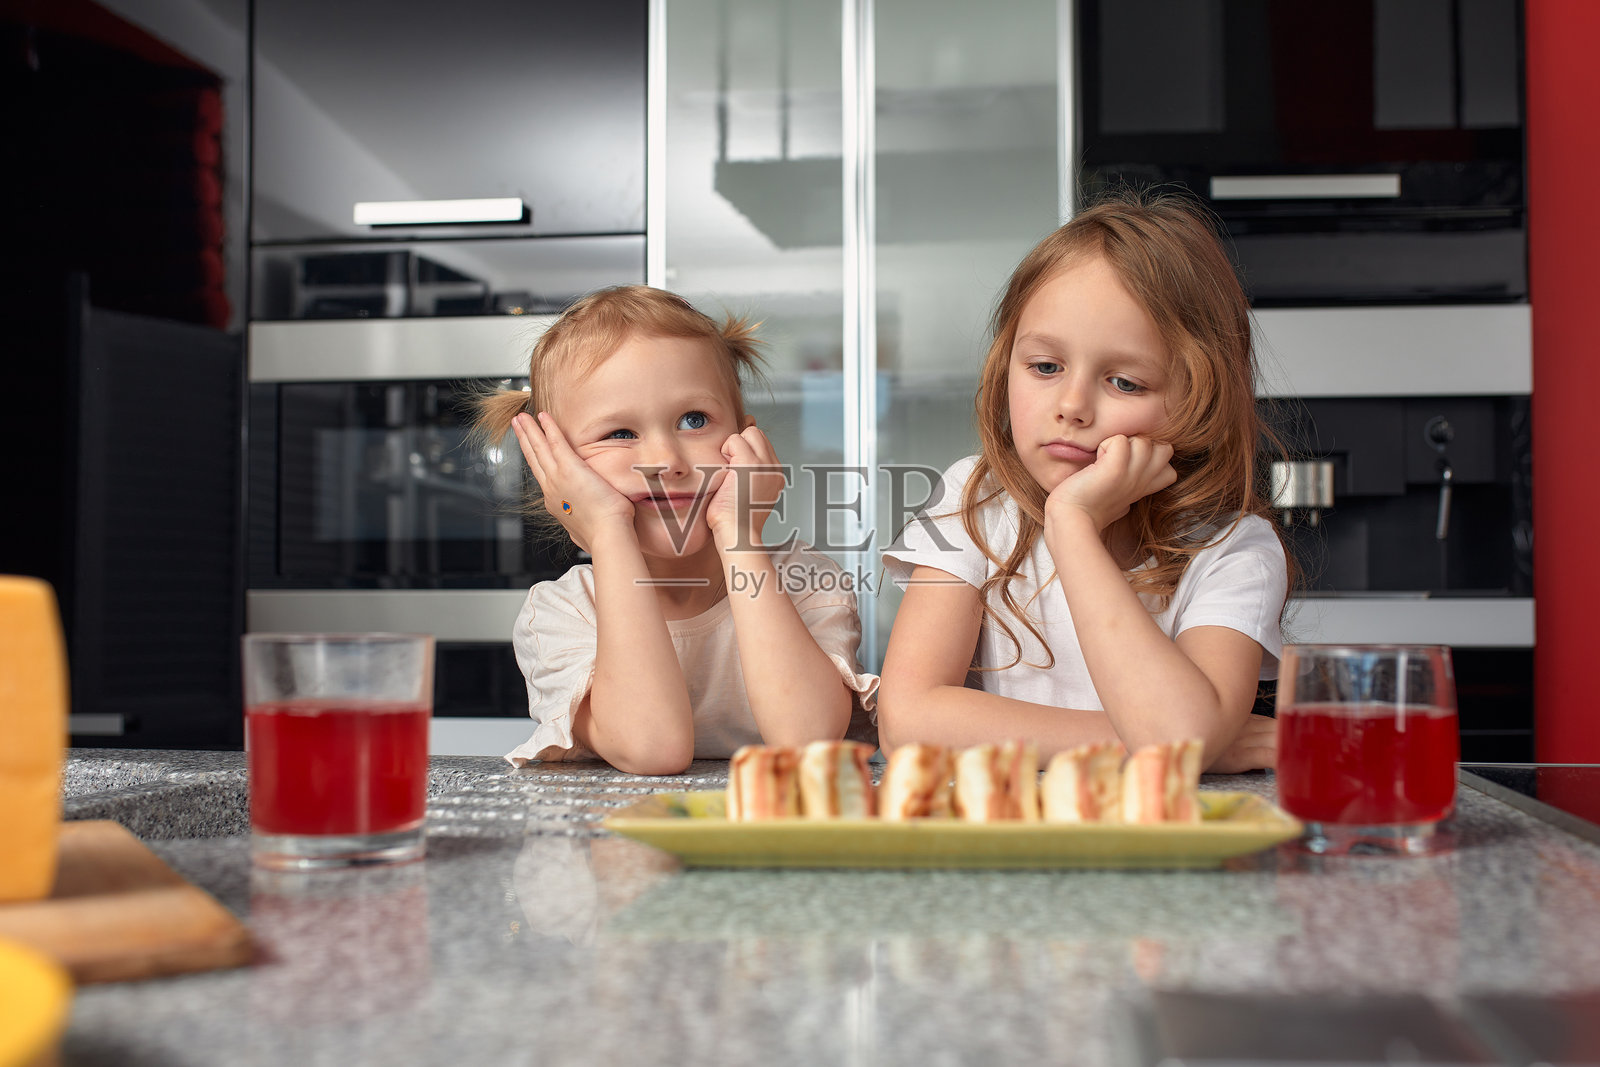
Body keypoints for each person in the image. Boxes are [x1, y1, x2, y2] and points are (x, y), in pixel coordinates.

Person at [878, 191, 1290, 773]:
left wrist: (1072, 526)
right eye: (1045, 367)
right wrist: (1157, 745)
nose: (1071, 406)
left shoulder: (1232, 549)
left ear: (1200, 398)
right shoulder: (977, 499)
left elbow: (1176, 739)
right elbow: (906, 725)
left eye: (1124, 382)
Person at [475, 286, 877, 775]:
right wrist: (607, 530)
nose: (666, 461)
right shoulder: (562, 613)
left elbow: (805, 742)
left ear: (746, 443)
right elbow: (652, 749)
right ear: (557, 471)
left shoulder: (806, 580)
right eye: (620, 433)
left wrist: (738, 532)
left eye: (694, 420)